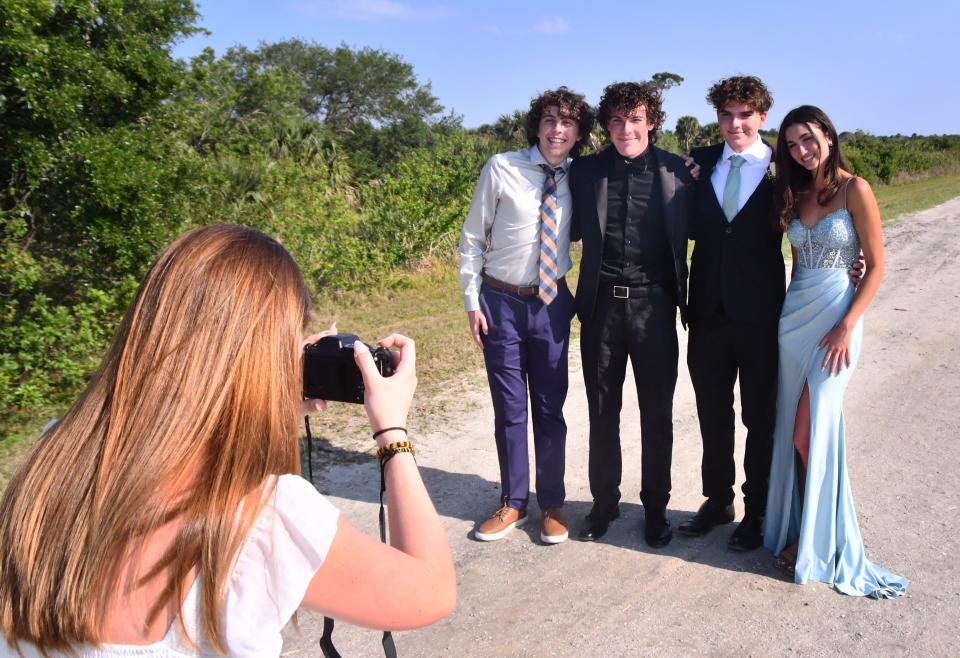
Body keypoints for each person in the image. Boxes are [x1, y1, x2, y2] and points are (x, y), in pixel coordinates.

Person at [0, 225, 456, 656]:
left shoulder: (53, 457)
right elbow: (431, 590)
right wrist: (391, 430)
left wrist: (265, 407)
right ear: (261, 359)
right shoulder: (262, 519)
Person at [763, 106, 908, 598]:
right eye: (792, 144)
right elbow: (802, 261)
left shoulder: (856, 189)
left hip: (839, 320)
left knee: (812, 428)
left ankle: (822, 539)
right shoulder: (796, 192)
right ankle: (802, 530)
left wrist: (848, 324)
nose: (802, 150)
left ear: (827, 134)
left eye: (808, 138)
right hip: (794, 320)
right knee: (793, 430)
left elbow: (877, 267)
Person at [459, 87, 594, 544]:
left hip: (553, 303)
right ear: (537, 125)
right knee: (509, 408)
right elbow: (473, 238)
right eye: (550, 120)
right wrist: (472, 300)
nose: (558, 130)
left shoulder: (583, 176)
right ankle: (513, 501)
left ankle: (551, 503)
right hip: (501, 301)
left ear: (579, 133)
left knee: (550, 407)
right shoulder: (502, 167)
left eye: (569, 123)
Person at [569, 81, 693, 548]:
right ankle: (604, 503)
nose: (626, 129)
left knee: (656, 414)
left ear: (652, 122)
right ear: (606, 125)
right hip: (601, 307)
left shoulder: (680, 171)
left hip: (655, 305)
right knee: (602, 411)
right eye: (617, 121)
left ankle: (656, 509)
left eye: (635, 119)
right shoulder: (585, 172)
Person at [681, 76, 783, 551]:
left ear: (762, 116)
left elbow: (823, 213)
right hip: (706, 313)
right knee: (711, 413)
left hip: (761, 317)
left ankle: (757, 510)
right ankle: (717, 500)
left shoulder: (784, 169)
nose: (735, 123)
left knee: (758, 417)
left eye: (745, 114)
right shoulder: (699, 163)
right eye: (726, 114)